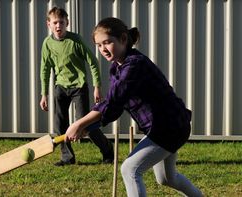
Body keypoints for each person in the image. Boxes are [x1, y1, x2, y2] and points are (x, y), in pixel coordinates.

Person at [65, 17, 203, 196]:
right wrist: (88, 126)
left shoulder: (134, 65)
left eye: (107, 42)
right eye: (99, 45)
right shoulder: (116, 67)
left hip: (170, 126)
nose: (103, 49)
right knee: (166, 178)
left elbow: (112, 102)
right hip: (165, 126)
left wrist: (78, 124)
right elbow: (114, 106)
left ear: (123, 39)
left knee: (130, 169)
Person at [39, 7, 114, 166]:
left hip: (79, 87)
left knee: (85, 124)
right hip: (60, 87)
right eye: (55, 23)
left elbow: (93, 62)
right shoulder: (47, 44)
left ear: (67, 23)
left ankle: (107, 150)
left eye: (61, 22)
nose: (58, 26)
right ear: (49, 24)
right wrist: (44, 94)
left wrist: (97, 86)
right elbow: (45, 69)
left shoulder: (75, 41)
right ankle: (67, 157)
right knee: (60, 124)